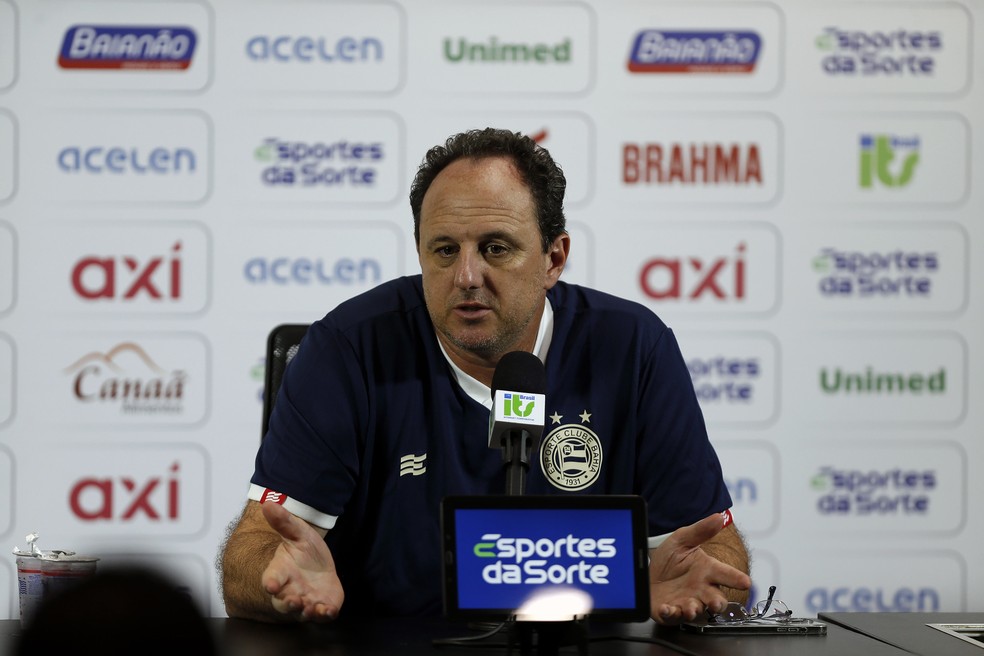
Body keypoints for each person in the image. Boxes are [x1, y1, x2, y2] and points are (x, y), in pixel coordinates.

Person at [220, 127, 751, 624]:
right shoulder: (349, 347)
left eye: (496, 248)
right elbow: (251, 556)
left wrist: (702, 592)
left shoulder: (633, 347)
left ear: (553, 258)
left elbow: (714, 554)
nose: (467, 277)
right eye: (445, 250)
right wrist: (275, 581)